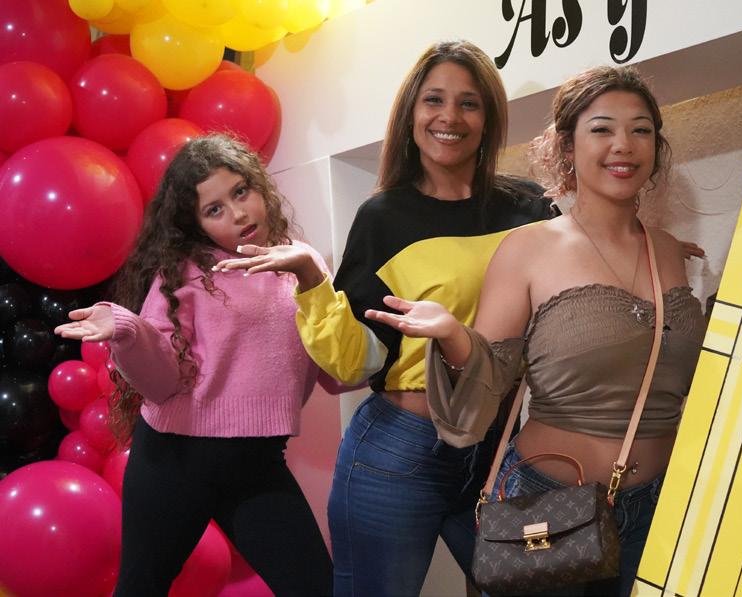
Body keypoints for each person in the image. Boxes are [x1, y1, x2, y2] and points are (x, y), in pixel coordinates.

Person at [215, 40, 556, 596]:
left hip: (499, 451)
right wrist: (311, 279)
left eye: (469, 103)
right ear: (411, 114)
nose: (449, 117)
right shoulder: (384, 216)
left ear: (489, 117)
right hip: (401, 451)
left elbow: (569, 298)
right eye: (434, 100)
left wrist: (636, 246)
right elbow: (356, 362)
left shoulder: (532, 209)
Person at [365, 65, 708, 597]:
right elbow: (491, 375)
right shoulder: (528, 247)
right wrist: (454, 335)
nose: (623, 144)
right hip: (548, 506)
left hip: (661, 508)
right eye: (602, 129)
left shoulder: (667, 250)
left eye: (640, 130)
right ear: (567, 146)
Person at [54, 134, 340, 597]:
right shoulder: (184, 273)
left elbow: (339, 372)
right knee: (140, 589)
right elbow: (161, 383)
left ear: (260, 186)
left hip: (258, 466)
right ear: (198, 225)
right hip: (174, 461)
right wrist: (128, 330)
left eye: (241, 192)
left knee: (317, 589)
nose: (238, 214)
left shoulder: (301, 263)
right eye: (215, 209)